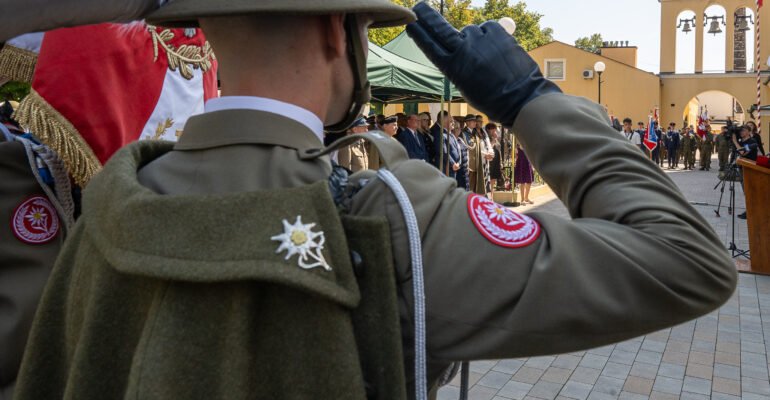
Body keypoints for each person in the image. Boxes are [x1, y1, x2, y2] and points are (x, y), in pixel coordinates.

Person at [13, 3, 737, 400]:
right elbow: (683, 260)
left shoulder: (106, 202)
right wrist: (529, 99)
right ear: (339, 31)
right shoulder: (392, 214)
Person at [488, 123, 504, 191]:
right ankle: (489, 195)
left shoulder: (497, 140)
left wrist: (501, 162)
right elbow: (489, 149)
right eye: (493, 130)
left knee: (494, 178)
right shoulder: (487, 139)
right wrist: (493, 141)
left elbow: (499, 151)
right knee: (490, 178)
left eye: (495, 130)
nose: (495, 132)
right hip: (490, 161)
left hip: (496, 160)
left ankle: (492, 196)